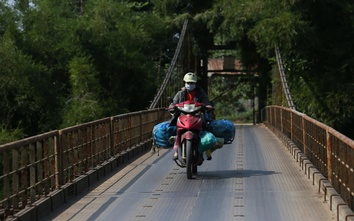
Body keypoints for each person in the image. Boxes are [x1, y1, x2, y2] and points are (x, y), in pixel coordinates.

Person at [169, 72, 212, 160]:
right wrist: (171, 106)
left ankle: (207, 150)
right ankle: (176, 150)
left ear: (195, 84)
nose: (190, 85)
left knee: (205, 128)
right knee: (178, 129)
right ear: (185, 83)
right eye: (188, 83)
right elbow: (173, 103)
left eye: (192, 83)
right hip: (183, 114)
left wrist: (208, 106)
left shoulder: (200, 93)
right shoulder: (180, 93)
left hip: (197, 115)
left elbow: (206, 102)